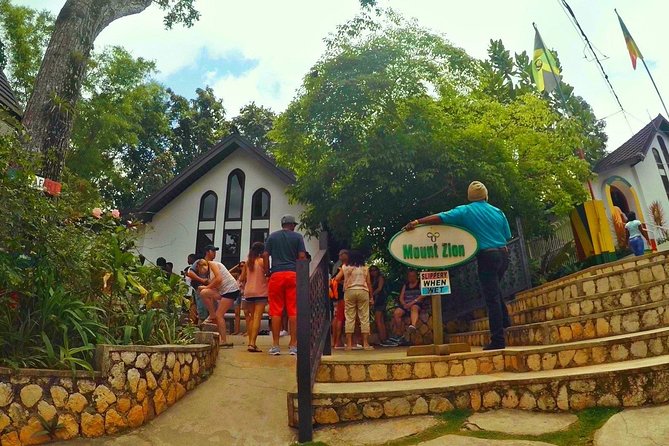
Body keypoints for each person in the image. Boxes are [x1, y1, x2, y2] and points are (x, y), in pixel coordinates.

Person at [404, 180, 512, 350]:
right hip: (504, 255)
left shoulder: (466, 210)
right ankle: (505, 320)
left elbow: (440, 217)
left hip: (487, 256)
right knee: (495, 289)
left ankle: (498, 340)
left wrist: (417, 222)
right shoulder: (498, 211)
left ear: (470, 196)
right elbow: (506, 235)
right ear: (486, 195)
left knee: (491, 297)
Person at [263, 215, 307, 356]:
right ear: (292, 225)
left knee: (276, 311)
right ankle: (293, 345)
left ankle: (276, 345)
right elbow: (301, 256)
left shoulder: (272, 237)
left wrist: (267, 272)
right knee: (293, 311)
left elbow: (265, 255)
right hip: (293, 275)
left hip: (276, 275)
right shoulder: (298, 237)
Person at [194, 246, 240, 348]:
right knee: (203, 293)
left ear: (201, 266)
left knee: (220, 315)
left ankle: (223, 341)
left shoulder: (212, 264)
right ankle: (212, 314)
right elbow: (215, 286)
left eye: (200, 271)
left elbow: (219, 280)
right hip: (224, 291)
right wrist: (206, 288)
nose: (201, 273)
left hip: (231, 290)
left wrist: (206, 286)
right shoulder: (209, 273)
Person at [334, 250, 373, 350]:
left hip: (349, 291)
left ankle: (349, 344)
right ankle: (365, 344)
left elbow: (337, 279)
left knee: (349, 317)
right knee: (364, 317)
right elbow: (368, 283)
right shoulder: (365, 268)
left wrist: (345, 282)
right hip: (363, 291)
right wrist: (371, 297)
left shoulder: (345, 267)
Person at [239, 243, 269, 352]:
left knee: (251, 318)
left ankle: (250, 343)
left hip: (249, 292)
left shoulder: (248, 262)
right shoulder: (261, 261)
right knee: (257, 317)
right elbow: (267, 273)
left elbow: (242, 278)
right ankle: (252, 344)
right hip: (260, 291)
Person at [384, 270, 425, 346]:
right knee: (397, 312)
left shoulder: (419, 284)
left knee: (414, 308)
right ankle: (399, 333)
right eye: (410, 276)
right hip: (406, 304)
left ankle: (413, 325)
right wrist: (404, 304)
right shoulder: (406, 285)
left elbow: (423, 295)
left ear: (416, 276)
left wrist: (412, 302)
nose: (411, 278)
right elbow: (401, 297)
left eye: (413, 276)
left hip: (416, 303)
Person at [330, 249, 349, 349]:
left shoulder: (337, 266)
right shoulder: (341, 267)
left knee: (337, 317)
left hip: (336, 295)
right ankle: (337, 341)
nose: (340, 256)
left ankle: (336, 341)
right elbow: (336, 279)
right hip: (341, 295)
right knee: (340, 318)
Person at [369, 265, 388, 344]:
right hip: (376, 300)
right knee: (380, 320)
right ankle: (383, 338)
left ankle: (383, 339)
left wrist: (371, 295)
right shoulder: (372, 280)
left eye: (375, 270)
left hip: (380, 299)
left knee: (378, 320)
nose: (373, 272)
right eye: (371, 271)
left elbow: (379, 288)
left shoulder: (380, 278)